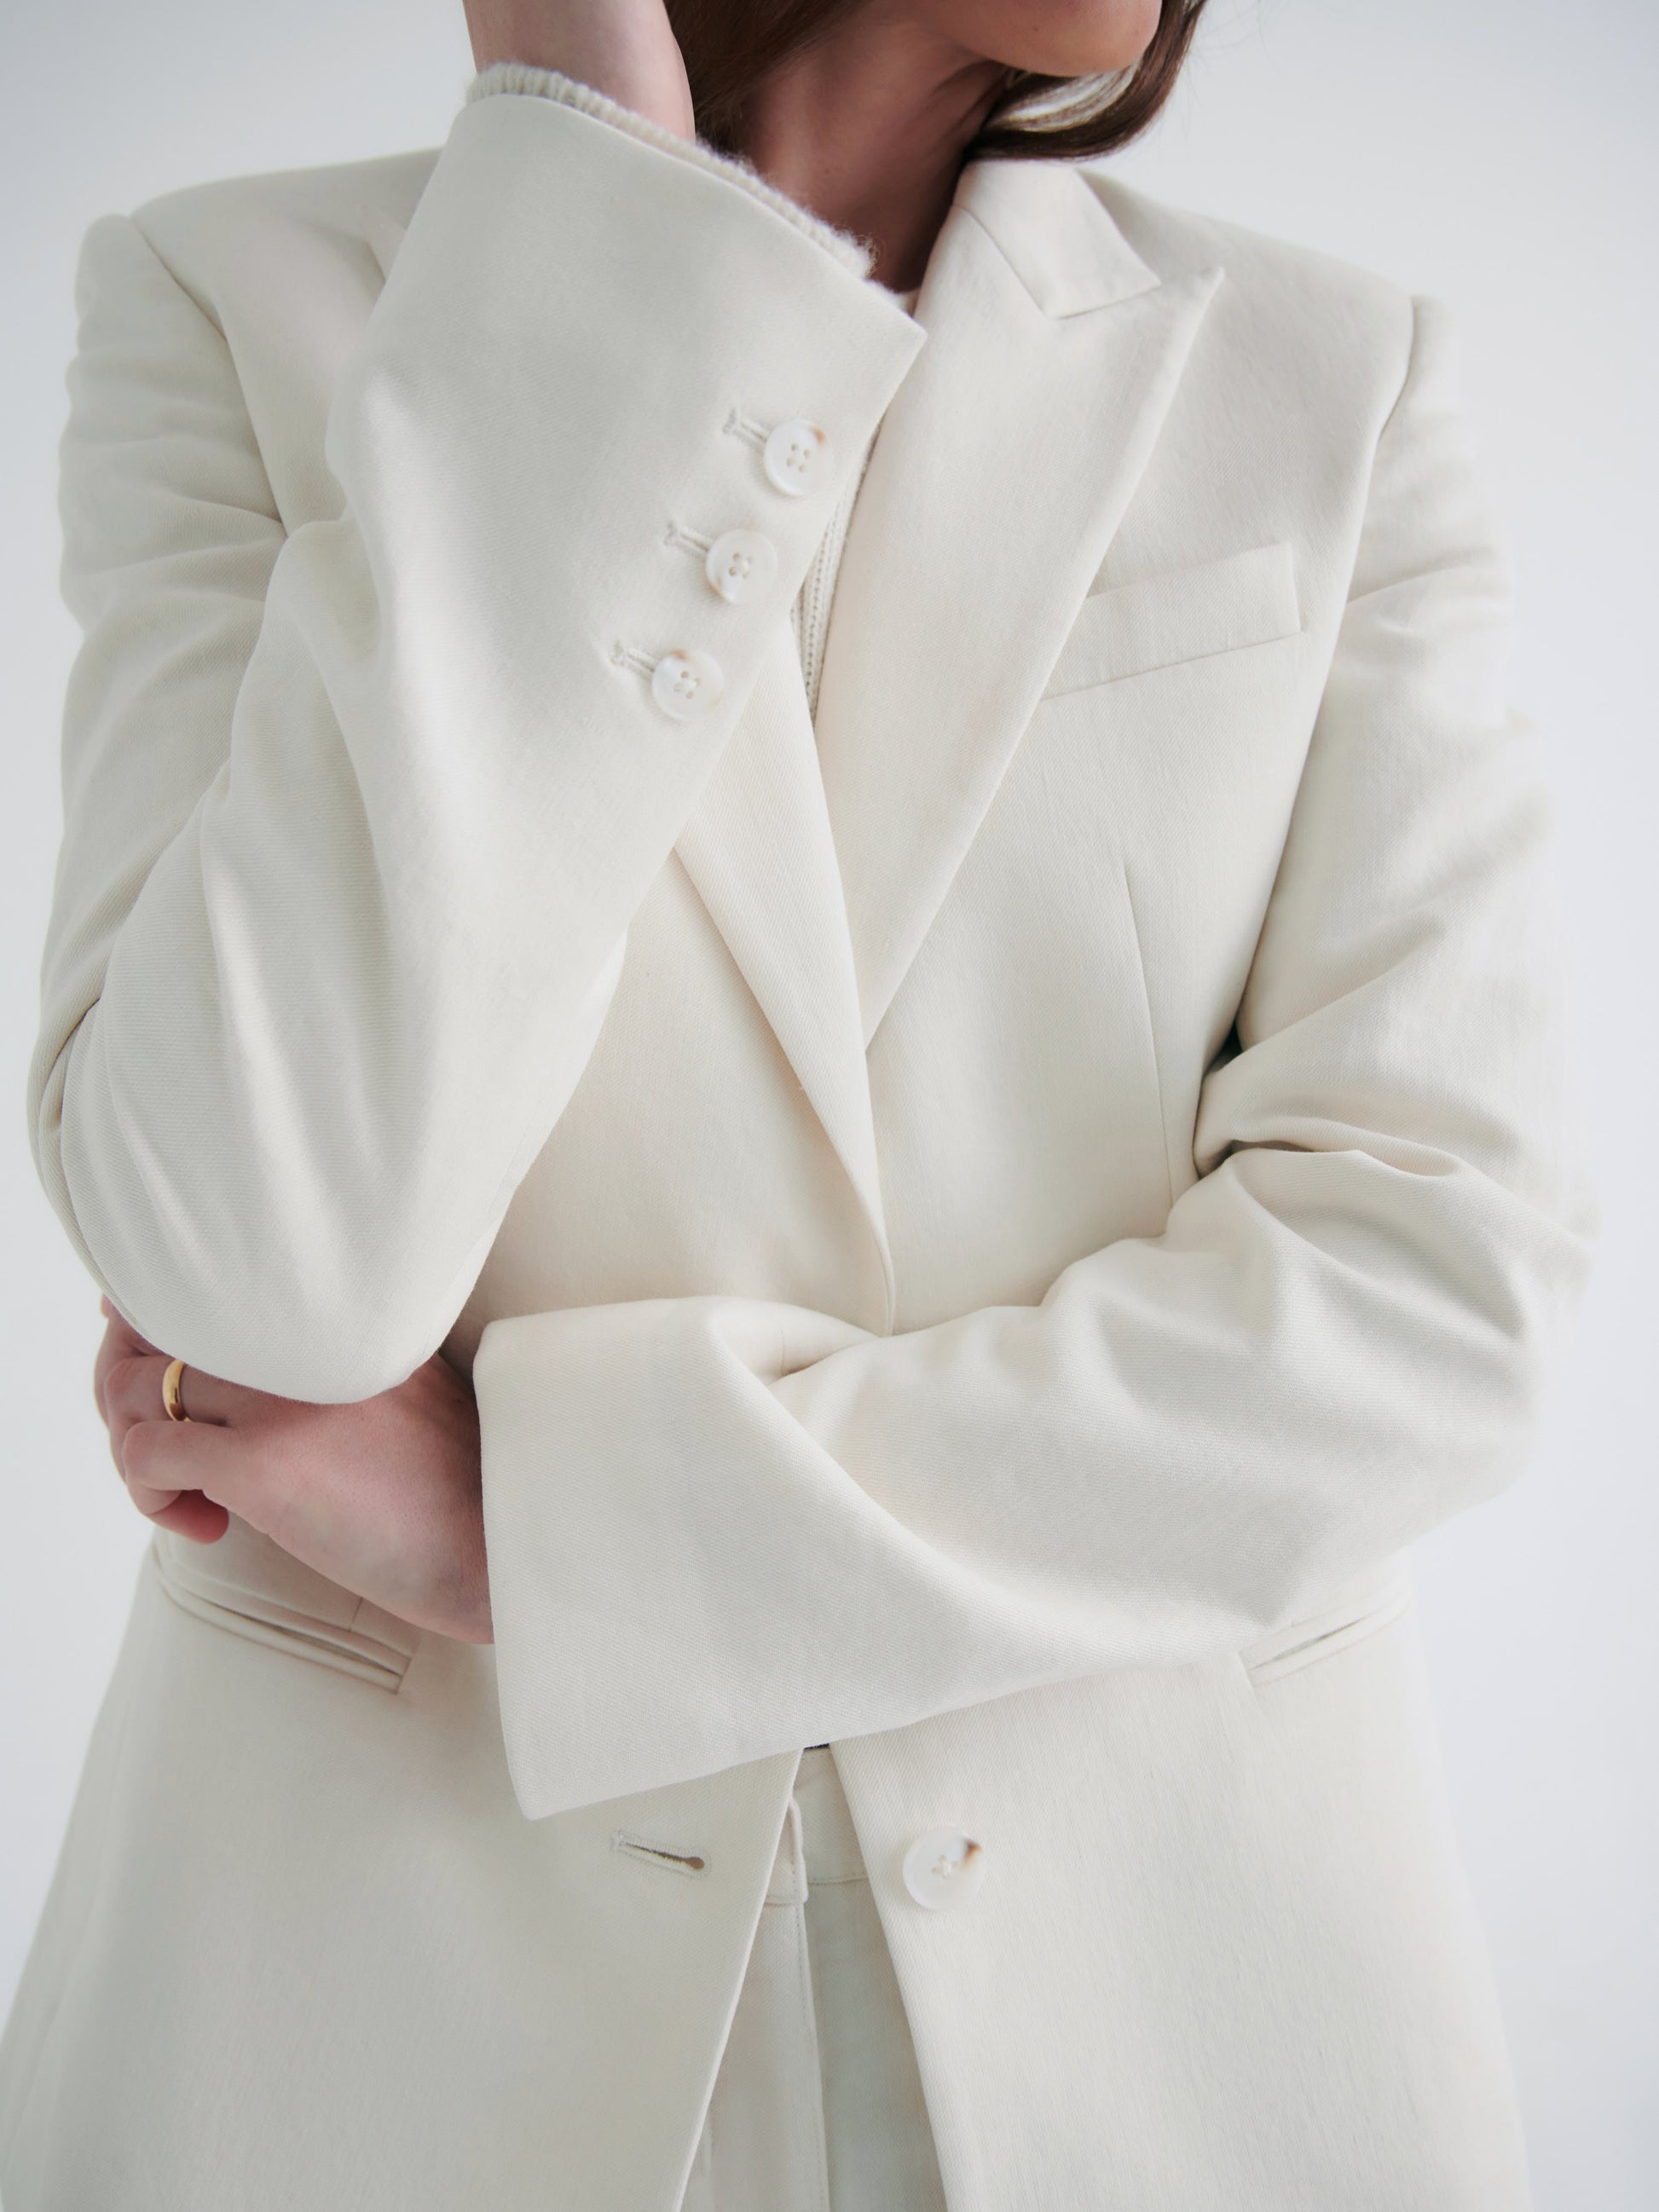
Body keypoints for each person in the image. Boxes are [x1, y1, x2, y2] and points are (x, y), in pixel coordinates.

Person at [0, 1, 1595, 2206]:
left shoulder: (1328, 378)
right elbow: (257, 1257)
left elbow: (1437, 1290)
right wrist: (592, 192)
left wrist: (564, 1537)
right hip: (371, 2022)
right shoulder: (237, 307)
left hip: (1179, 2024)